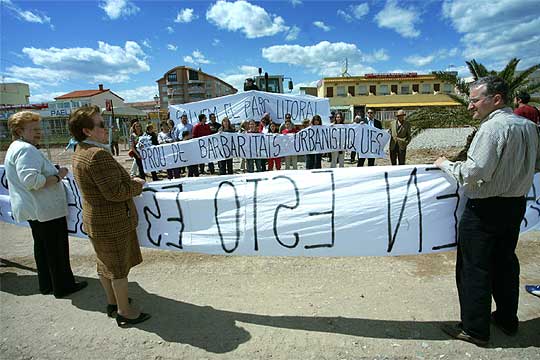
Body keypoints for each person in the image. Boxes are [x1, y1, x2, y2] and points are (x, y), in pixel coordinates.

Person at [434, 76, 540, 346]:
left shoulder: (492, 129)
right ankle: (507, 318)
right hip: (515, 205)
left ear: (496, 99)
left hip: (484, 209)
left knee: (474, 268)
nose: (470, 106)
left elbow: (474, 172)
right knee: (505, 264)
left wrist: (446, 164)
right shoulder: (529, 126)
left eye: (474, 100)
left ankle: (475, 329)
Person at [69, 105, 150, 327]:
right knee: (118, 270)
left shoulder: (81, 151)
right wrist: (137, 185)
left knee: (104, 265)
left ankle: (113, 302)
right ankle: (125, 312)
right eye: (101, 124)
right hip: (112, 222)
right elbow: (115, 192)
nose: (107, 128)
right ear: (87, 131)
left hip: (96, 220)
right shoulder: (98, 155)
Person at [4, 111, 87, 298]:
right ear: (19, 131)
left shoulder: (17, 146)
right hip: (44, 209)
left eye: (39, 128)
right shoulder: (26, 149)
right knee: (56, 250)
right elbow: (31, 180)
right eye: (33, 129)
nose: (38, 132)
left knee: (43, 249)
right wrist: (59, 176)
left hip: (36, 209)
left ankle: (47, 284)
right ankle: (63, 286)